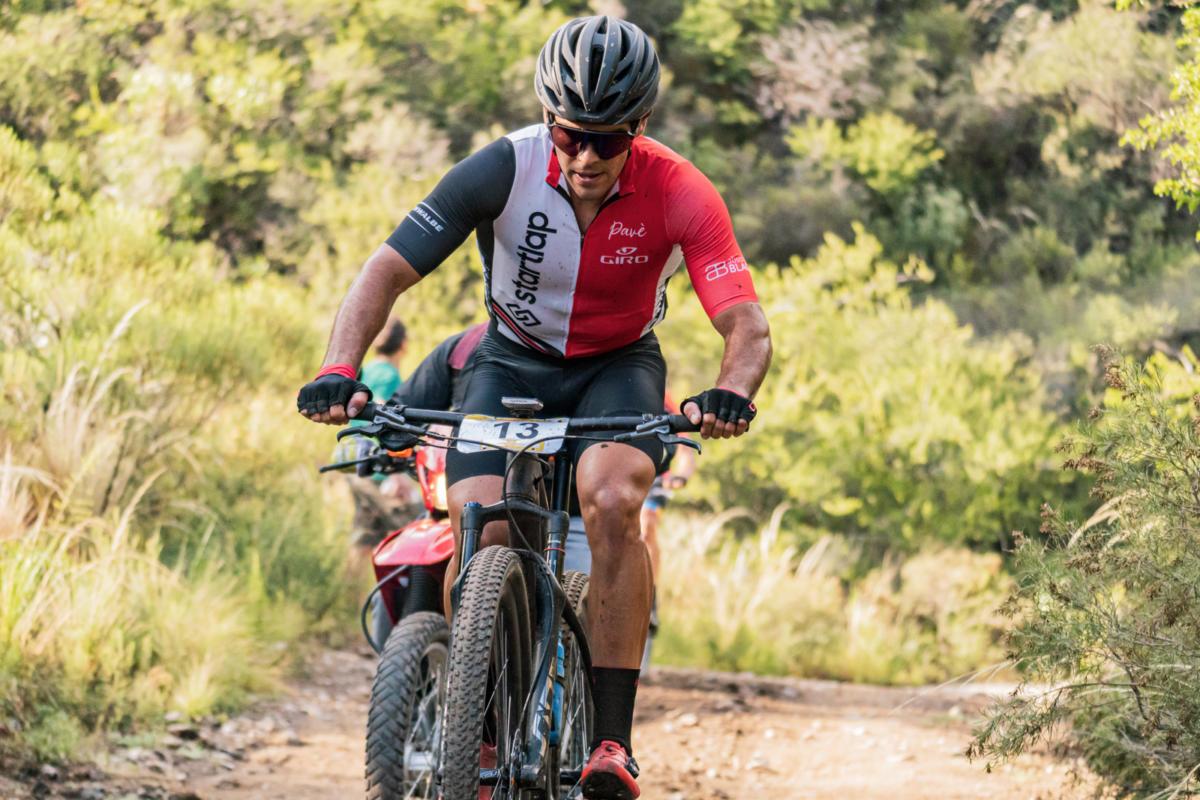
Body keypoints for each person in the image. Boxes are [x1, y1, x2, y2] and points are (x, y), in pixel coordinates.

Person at [297, 15, 771, 799]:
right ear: (547, 116)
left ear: (640, 126)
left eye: (607, 139)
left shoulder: (680, 189)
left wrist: (732, 390)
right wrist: (338, 367)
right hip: (510, 360)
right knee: (478, 519)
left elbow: (745, 323)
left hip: (617, 369)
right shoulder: (501, 168)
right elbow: (385, 272)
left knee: (612, 499)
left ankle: (611, 742)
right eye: (569, 134)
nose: (585, 156)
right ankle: (478, 725)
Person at [342, 318, 419, 579]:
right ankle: (407, 587)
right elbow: (385, 419)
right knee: (411, 525)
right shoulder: (389, 375)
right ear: (404, 345)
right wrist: (396, 473)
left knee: (365, 533)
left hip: (352, 462)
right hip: (376, 467)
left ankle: (350, 589)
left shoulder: (368, 370)